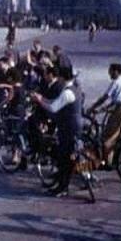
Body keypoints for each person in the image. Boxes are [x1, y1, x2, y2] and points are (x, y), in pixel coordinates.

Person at [31, 67, 83, 197]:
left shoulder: (67, 93)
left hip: (69, 127)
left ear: (61, 77)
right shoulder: (73, 89)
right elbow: (55, 102)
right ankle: (60, 183)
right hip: (71, 125)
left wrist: (40, 101)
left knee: (65, 157)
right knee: (63, 155)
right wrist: (42, 98)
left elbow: (53, 108)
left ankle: (63, 187)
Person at [87, 63, 121, 167]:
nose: (109, 73)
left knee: (109, 136)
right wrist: (101, 110)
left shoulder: (116, 82)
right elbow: (117, 100)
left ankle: (108, 163)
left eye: (110, 71)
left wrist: (92, 108)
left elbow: (105, 98)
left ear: (116, 71)